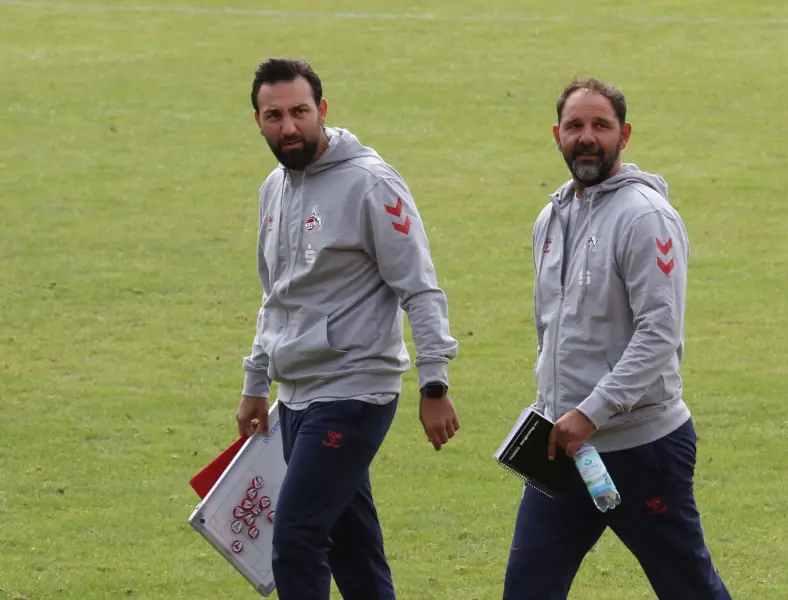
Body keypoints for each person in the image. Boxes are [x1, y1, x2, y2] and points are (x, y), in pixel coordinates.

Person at [235, 57, 461, 600]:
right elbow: (276, 297)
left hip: (355, 391)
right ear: (258, 120)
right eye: (274, 116)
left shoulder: (371, 184)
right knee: (351, 548)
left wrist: (435, 384)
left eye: (299, 112)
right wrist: (255, 384)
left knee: (296, 537)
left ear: (323, 111)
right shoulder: (274, 188)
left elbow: (420, 287)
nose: (289, 127)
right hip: (296, 397)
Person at [502, 77, 733, 599]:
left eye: (600, 126)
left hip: (641, 448)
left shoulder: (645, 218)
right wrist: (557, 408)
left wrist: (592, 411)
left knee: (688, 588)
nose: (587, 137)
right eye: (575, 126)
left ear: (624, 135)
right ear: (555, 135)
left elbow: (659, 333)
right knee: (528, 589)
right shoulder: (550, 218)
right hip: (562, 446)